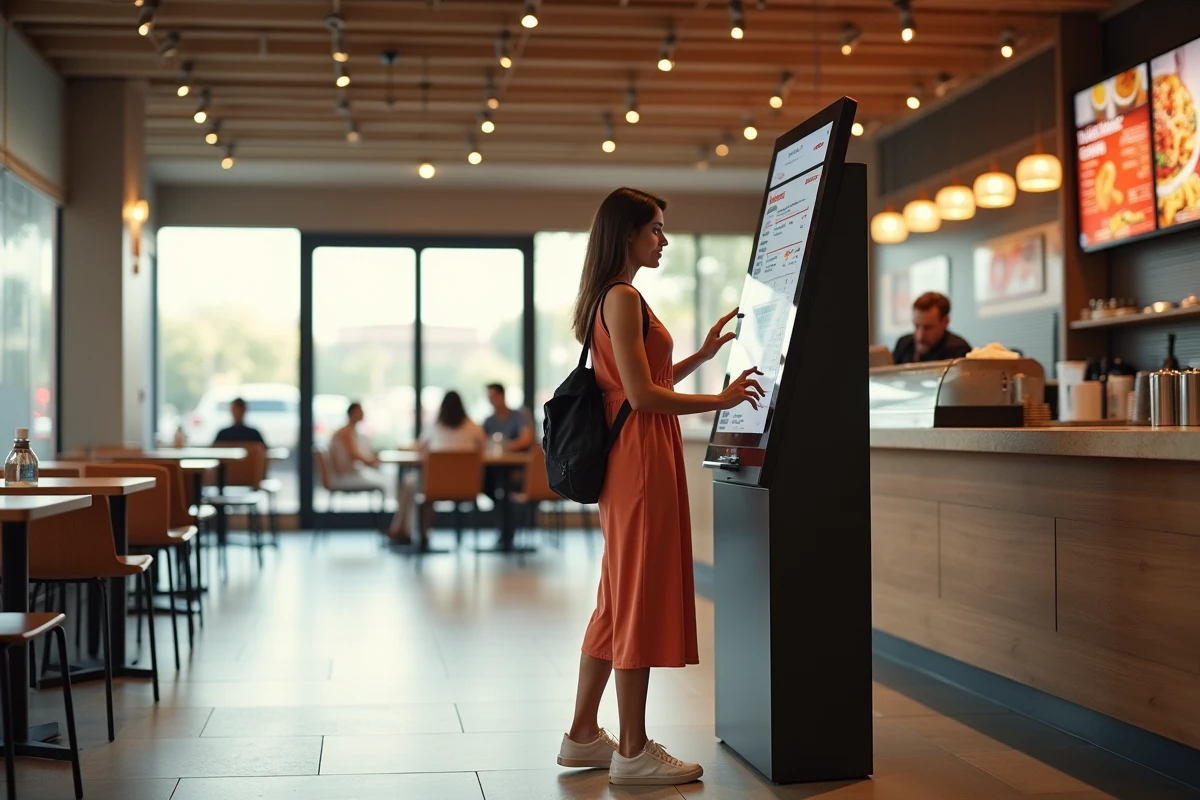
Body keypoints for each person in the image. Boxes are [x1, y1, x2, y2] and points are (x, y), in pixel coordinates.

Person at [557, 187, 763, 786]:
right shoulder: (622, 298)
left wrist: (701, 354)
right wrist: (720, 399)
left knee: (617, 600)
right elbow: (645, 397)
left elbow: (640, 380)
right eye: (655, 230)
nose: (664, 240)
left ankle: (582, 736)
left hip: (634, 457)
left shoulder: (611, 298)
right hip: (641, 459)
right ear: (627, 235)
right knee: (637, 598)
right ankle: (634, 751)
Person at [389, 391, 487, 544]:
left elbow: (420, 448)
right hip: (467, 485)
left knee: (410, 483)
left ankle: (410, 531)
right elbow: (483, 451)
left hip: (436, 485)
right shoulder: (474, 428)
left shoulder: (434, 427)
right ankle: (408, 530)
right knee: (413, 484)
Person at [891, 291, 971, 364]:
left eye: (928, 328)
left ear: (945, 322)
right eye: (916, 326)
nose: (920, 336)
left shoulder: (958, 352)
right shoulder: (903, 344)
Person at [327, 402, 383, 491]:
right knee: (384, 482)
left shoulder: (349, 431)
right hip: (345, 476)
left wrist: (370, 459)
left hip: (347, 474)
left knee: (380, 478)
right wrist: (370, 462)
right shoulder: (346, 432)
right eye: (360, 411)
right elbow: (353, 454)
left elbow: (356, 452)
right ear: (353, 413)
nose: (363, 414)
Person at [482, 384, 534, 451]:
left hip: (518, 458)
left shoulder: (519, 416)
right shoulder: (488, 422)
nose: (492, 401)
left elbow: (526, 440)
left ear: (502, 395)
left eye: (494, 397)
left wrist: (504, 447)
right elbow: (483, 442)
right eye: (490, 398)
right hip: (494, 460)